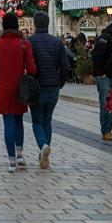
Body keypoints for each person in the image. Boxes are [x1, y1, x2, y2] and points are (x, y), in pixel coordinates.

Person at [0, 13, 37, 172]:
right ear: (16, 25)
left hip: (3, 86)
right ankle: (20, 154)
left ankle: (11, 160)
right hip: (20, 87)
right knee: (19, 121)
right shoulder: (24, 43)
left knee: (8, 122)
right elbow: (33, 68)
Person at [28, 11, 70, 169]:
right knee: (47, 120)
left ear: (35, 24)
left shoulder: (30, 41)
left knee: (37, 120)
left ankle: (43, 145)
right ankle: (45, 151)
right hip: (53, 86)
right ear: (48, 23)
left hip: (36, 87)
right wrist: (60, 82)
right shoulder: (57, 42)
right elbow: (65, 66)